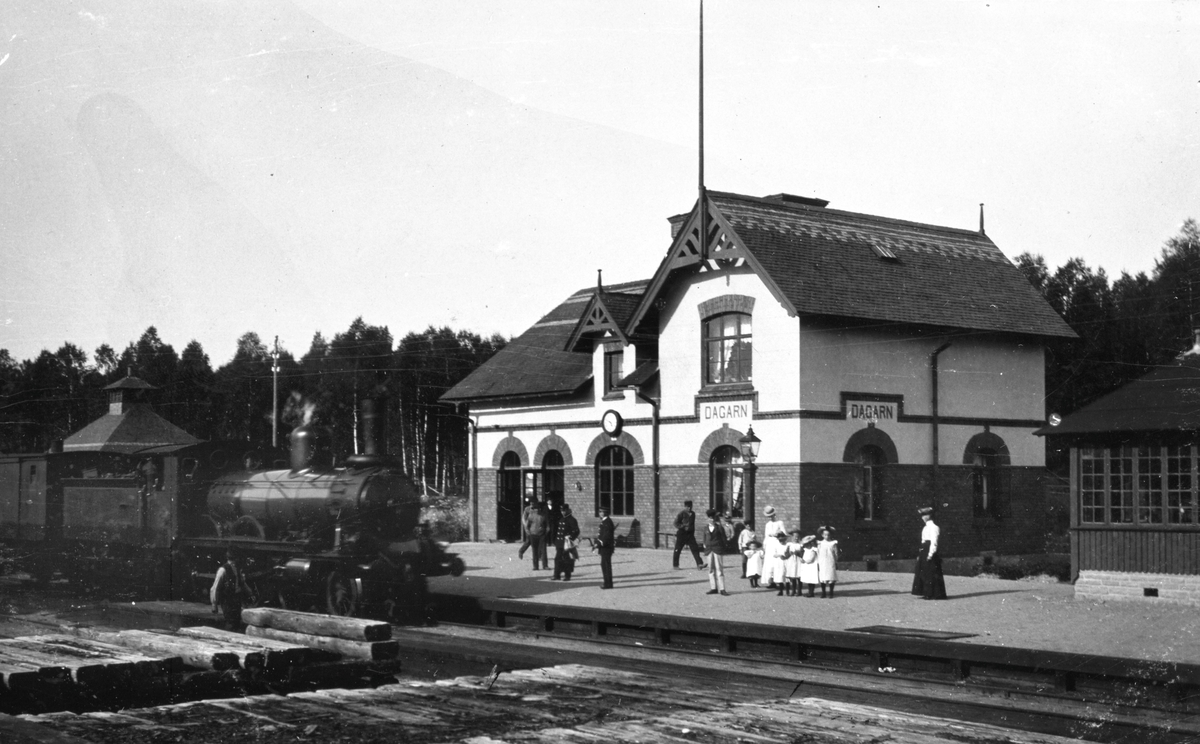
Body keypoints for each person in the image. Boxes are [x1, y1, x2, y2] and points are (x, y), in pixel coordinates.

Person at [911, 506, 948, 599]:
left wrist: (930, 554)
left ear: (928, 516)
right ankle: (926, 592)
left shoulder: (935, 528)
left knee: (931, 572)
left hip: (929, 550)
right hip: (924, 550)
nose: (922, 518)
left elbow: (934, 542)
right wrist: (920, 553)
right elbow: (923, 541)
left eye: (924, 516)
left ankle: (934, 593)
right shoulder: (925, 528)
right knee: (924, 572)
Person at [210, 549, 252, 629]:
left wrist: (249, 592)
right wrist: (214, 604)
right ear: (236, 558)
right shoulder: (223, 570)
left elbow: (242, 582)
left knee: (236, 621)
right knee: (230, 622)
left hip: (236, 598)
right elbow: (215, 588)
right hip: (227, 599)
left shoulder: (237, 569)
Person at [701, 509, 729, 596]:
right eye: (709, 518)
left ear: (715, 519)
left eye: (712, 518)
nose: (711, 520)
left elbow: (724, 539)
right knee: (711, 569)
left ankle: (722, 588)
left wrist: (722, 548)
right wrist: (705, 545)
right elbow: (704, 539)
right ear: (707, 519)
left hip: (717, 549)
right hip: (709, 550)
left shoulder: (719, 528)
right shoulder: (705, 528)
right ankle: (713, 588)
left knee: (719, 569)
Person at [760, 506, 788, 588]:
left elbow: (784, 533)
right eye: (768, 516)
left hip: (777, 542)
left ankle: (779, 581)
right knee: (769, 562)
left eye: (771, 516)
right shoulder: (768, 524)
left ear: (774, 515)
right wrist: (764, 545)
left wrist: (778, 533)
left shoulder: (780, 522)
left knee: (777, 561)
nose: (770, 518)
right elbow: (766, 536)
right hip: (770, 544)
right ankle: (771, 581)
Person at [552, 503, 581, 581]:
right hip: (560, 543)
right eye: (561, 510)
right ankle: (556, 575)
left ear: (568, 510)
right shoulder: (561, 519)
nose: (562, 512)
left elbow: (576, 531)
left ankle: (567, 575)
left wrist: (570, 537)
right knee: (557, 559)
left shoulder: (572, 520)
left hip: (566, 543)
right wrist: (555, 541)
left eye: (564, 510)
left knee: (566, 559)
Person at [672, 500, 704, 569]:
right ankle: (675, 565)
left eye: (690, 507)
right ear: (685, 507)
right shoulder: (682, 513)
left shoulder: (693, 514)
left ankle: (699, 564)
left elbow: (693, 525)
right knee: (678, 549)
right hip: (682, 533)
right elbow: (675, 523)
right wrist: (682, 526)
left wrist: (692, 532)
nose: (689, 508)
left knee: (695, 548)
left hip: (690, 534)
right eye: (688, 507)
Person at [816, 525, 839, 598]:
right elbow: (818, 553)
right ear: (822, 535)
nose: (827, 536)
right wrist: (818, 563)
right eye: (825, 535)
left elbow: (836, 553)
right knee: (823, 577)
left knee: (831, 577)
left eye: (828, 535)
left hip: (830, 561)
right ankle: (823, 593)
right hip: (822, 562)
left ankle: (831, 593)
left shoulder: (833, 543)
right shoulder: (820, 543)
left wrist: (836, 562)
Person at [596, 506, 616, 589]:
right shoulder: (605, 521)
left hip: (606, 547)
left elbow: (606, 536)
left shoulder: (607, 522)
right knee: (604, 564)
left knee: (606, 565)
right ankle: (607, 583)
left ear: (606, 513)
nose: (600, 513)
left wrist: (599, 543)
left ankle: (608, 584)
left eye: (602, 512)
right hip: (605, 547)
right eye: (600, 511)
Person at [525, 502, 548, 570]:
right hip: (533, 535)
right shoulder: (531, 515)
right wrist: (529, 533)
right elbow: (527, 525)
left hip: (542, 535)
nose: (537, 510)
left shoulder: (543, 516)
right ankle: (535, 566)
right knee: (534, 551)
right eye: (536, 508)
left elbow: (547, 526)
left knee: (543, 550)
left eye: (538, 508)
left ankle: (545, 565)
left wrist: (545, 533)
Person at [783, 530, 803, 597]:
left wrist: (798, 553)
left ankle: (799, 591)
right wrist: (790, 553)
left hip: (798, 561)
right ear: (792, 537)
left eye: (797, 537)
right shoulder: (789, 545)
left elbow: (803, 554)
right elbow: (786, 554)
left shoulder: (800, 545)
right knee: (792, 576)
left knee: (799, 576)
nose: (796, 538)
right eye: (795, 536)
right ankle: (793, 590)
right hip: (791, 561)